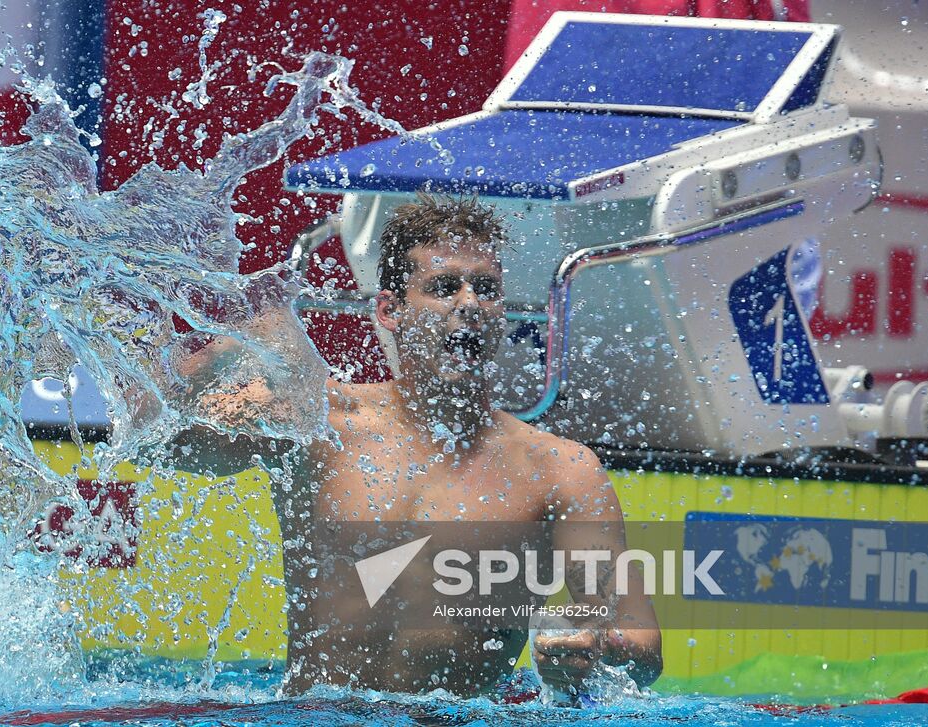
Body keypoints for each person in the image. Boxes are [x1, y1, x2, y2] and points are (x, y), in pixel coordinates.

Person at [175, 193, 660, 697]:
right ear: (390, 310)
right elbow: (152, 443)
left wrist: (591, 651)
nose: (470, 304)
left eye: (487, 289)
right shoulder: (318, 421)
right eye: (445, 287)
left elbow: (642, 646)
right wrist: (220, 351)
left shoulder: (560, 469)